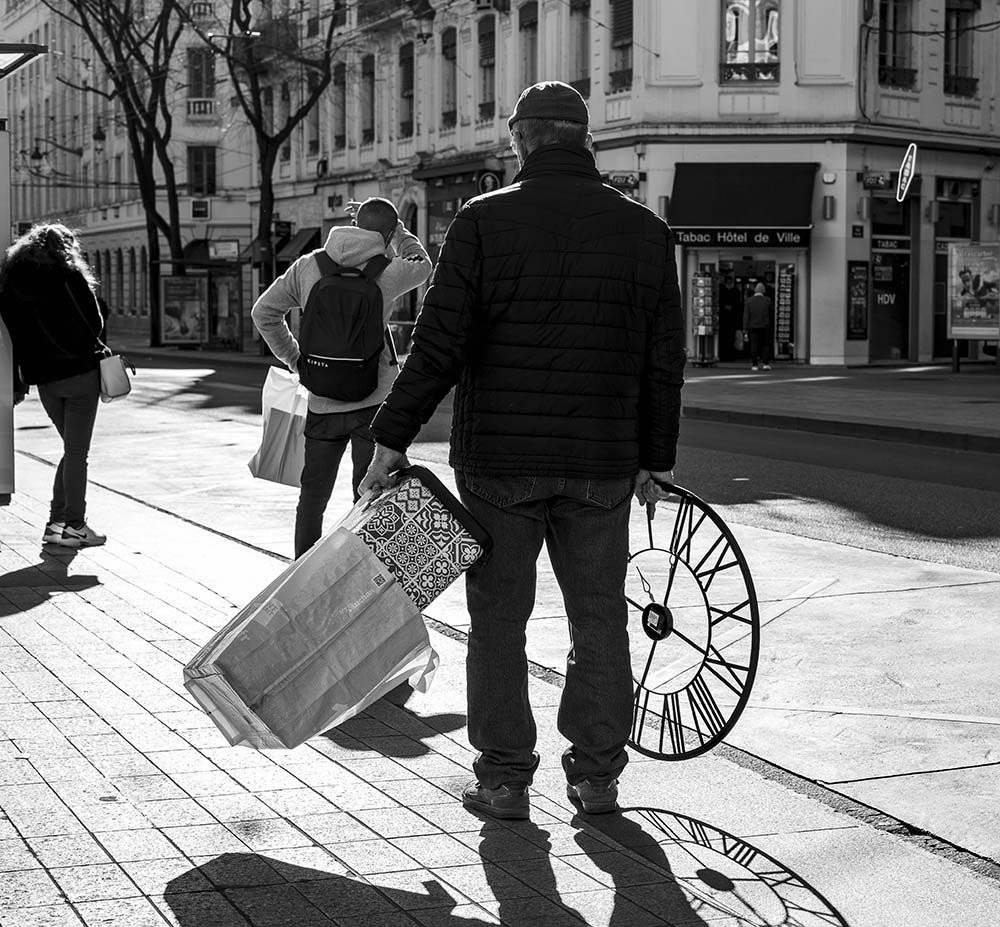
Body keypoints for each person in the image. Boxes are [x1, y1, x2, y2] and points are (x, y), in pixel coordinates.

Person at [360, 81, 686, 819]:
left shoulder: (481, 222)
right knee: (598, 616)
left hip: (501, 463)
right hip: (602, 461)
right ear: (584, 142)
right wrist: (657, 457)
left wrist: (391, 438)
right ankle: (598, 773)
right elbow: (663, 358)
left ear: (521, 142)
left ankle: (505, 776)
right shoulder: (642, 230)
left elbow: (438, 345)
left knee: (500, 619)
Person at [252, 198, 431, 558]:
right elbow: (422, 264)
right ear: (386, 234)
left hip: (322, 400)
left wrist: (295, 359)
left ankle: (300, 573)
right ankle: (361, 575)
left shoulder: (307, 266)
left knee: (313, 496)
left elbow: (264, 312)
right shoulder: (388, 271)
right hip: (373, 403)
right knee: (368, 494)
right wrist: (400, 234)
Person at [0, 223, 109, 548]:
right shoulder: (70, 276)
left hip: (44, 379)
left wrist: (18, 378)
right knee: (77, 452)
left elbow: (14, 336)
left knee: (70, 451)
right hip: (80, 374)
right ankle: (74, 525)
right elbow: (95, 323)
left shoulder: (13, 283)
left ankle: (55, 524)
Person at [743, 282, 773, 371]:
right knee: (765, 344)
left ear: (755, 290)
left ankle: (754, 364)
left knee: (754, 345)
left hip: (753, 326)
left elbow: (746, 315)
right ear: (763, 291)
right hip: (765, 325)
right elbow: (771, 313)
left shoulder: (749, 301)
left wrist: (745, 328)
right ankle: (765, 363)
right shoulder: (767, 300)